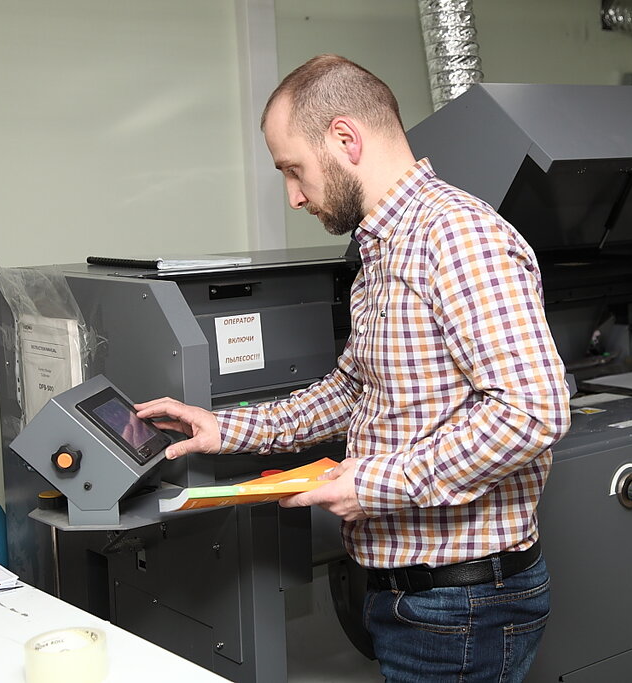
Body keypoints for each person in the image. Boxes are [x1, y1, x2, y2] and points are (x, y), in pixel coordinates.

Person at [135, 54, 570, 682]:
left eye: (294, 169)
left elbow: (531, 411)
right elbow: (353, 390)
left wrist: (372, 486)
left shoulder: (456, 237)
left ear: (345, 139)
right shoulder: (382, 250)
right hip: (413, 597)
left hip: (462, 606)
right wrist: (225, 429)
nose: (293, 195)